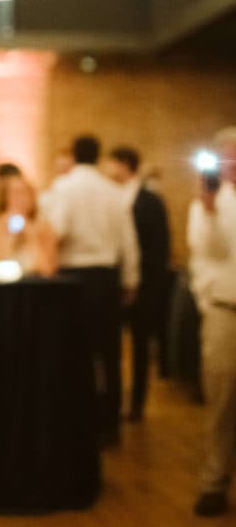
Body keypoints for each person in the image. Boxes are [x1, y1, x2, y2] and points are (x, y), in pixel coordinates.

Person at [44, 135, 139, 446]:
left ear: (73, 154)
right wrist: (130, 280)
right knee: (109, 353)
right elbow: (128, 240)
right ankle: (110, 425)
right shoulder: (114, 191)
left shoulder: (64, 188)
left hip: (74, 279)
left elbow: (58, 231)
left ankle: (78, 422)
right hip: (107, 278)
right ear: (98, 157)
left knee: (75, 351)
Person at [188, 126, 236, 517]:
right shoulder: (209, 205)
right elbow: (205, 253)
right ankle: (214, 483)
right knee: (222, 402)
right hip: (226, 311)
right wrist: (208, 206)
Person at [105, 146, 172, 422]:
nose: (109, 170)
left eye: (113, 164)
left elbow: (159, 247)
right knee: (113, 346)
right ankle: (114, 401)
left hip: (143, 286)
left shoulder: (151, 200)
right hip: (114, 283)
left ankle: (137, 404)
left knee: (141, 346)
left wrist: (147, 286)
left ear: (124, 165)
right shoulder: (110, 197)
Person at [0, 173, 57, 277]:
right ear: (5, 197)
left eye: (24, 193)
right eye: (14, 193)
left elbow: (48, 270)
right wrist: (9, 238)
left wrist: (30, 237)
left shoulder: (44, 227)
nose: (20, 199)